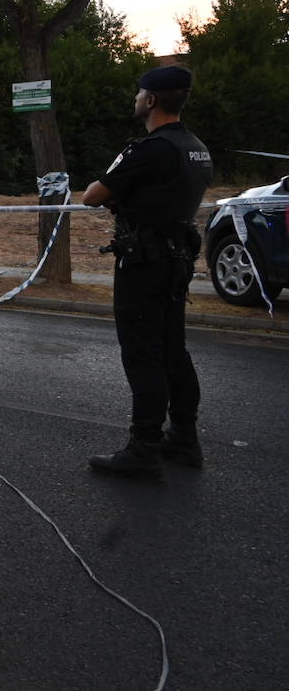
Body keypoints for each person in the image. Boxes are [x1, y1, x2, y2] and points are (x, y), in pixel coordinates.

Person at [82, 65, 213, 480]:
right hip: (176, 261)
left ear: (152, 100)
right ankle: (184, 439)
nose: (136, 98)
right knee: (174, 349)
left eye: (140, 93)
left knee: (142, 353)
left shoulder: (150, 148)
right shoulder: (196, 147)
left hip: (145, 263)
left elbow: (92, 196)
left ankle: (144, 448)